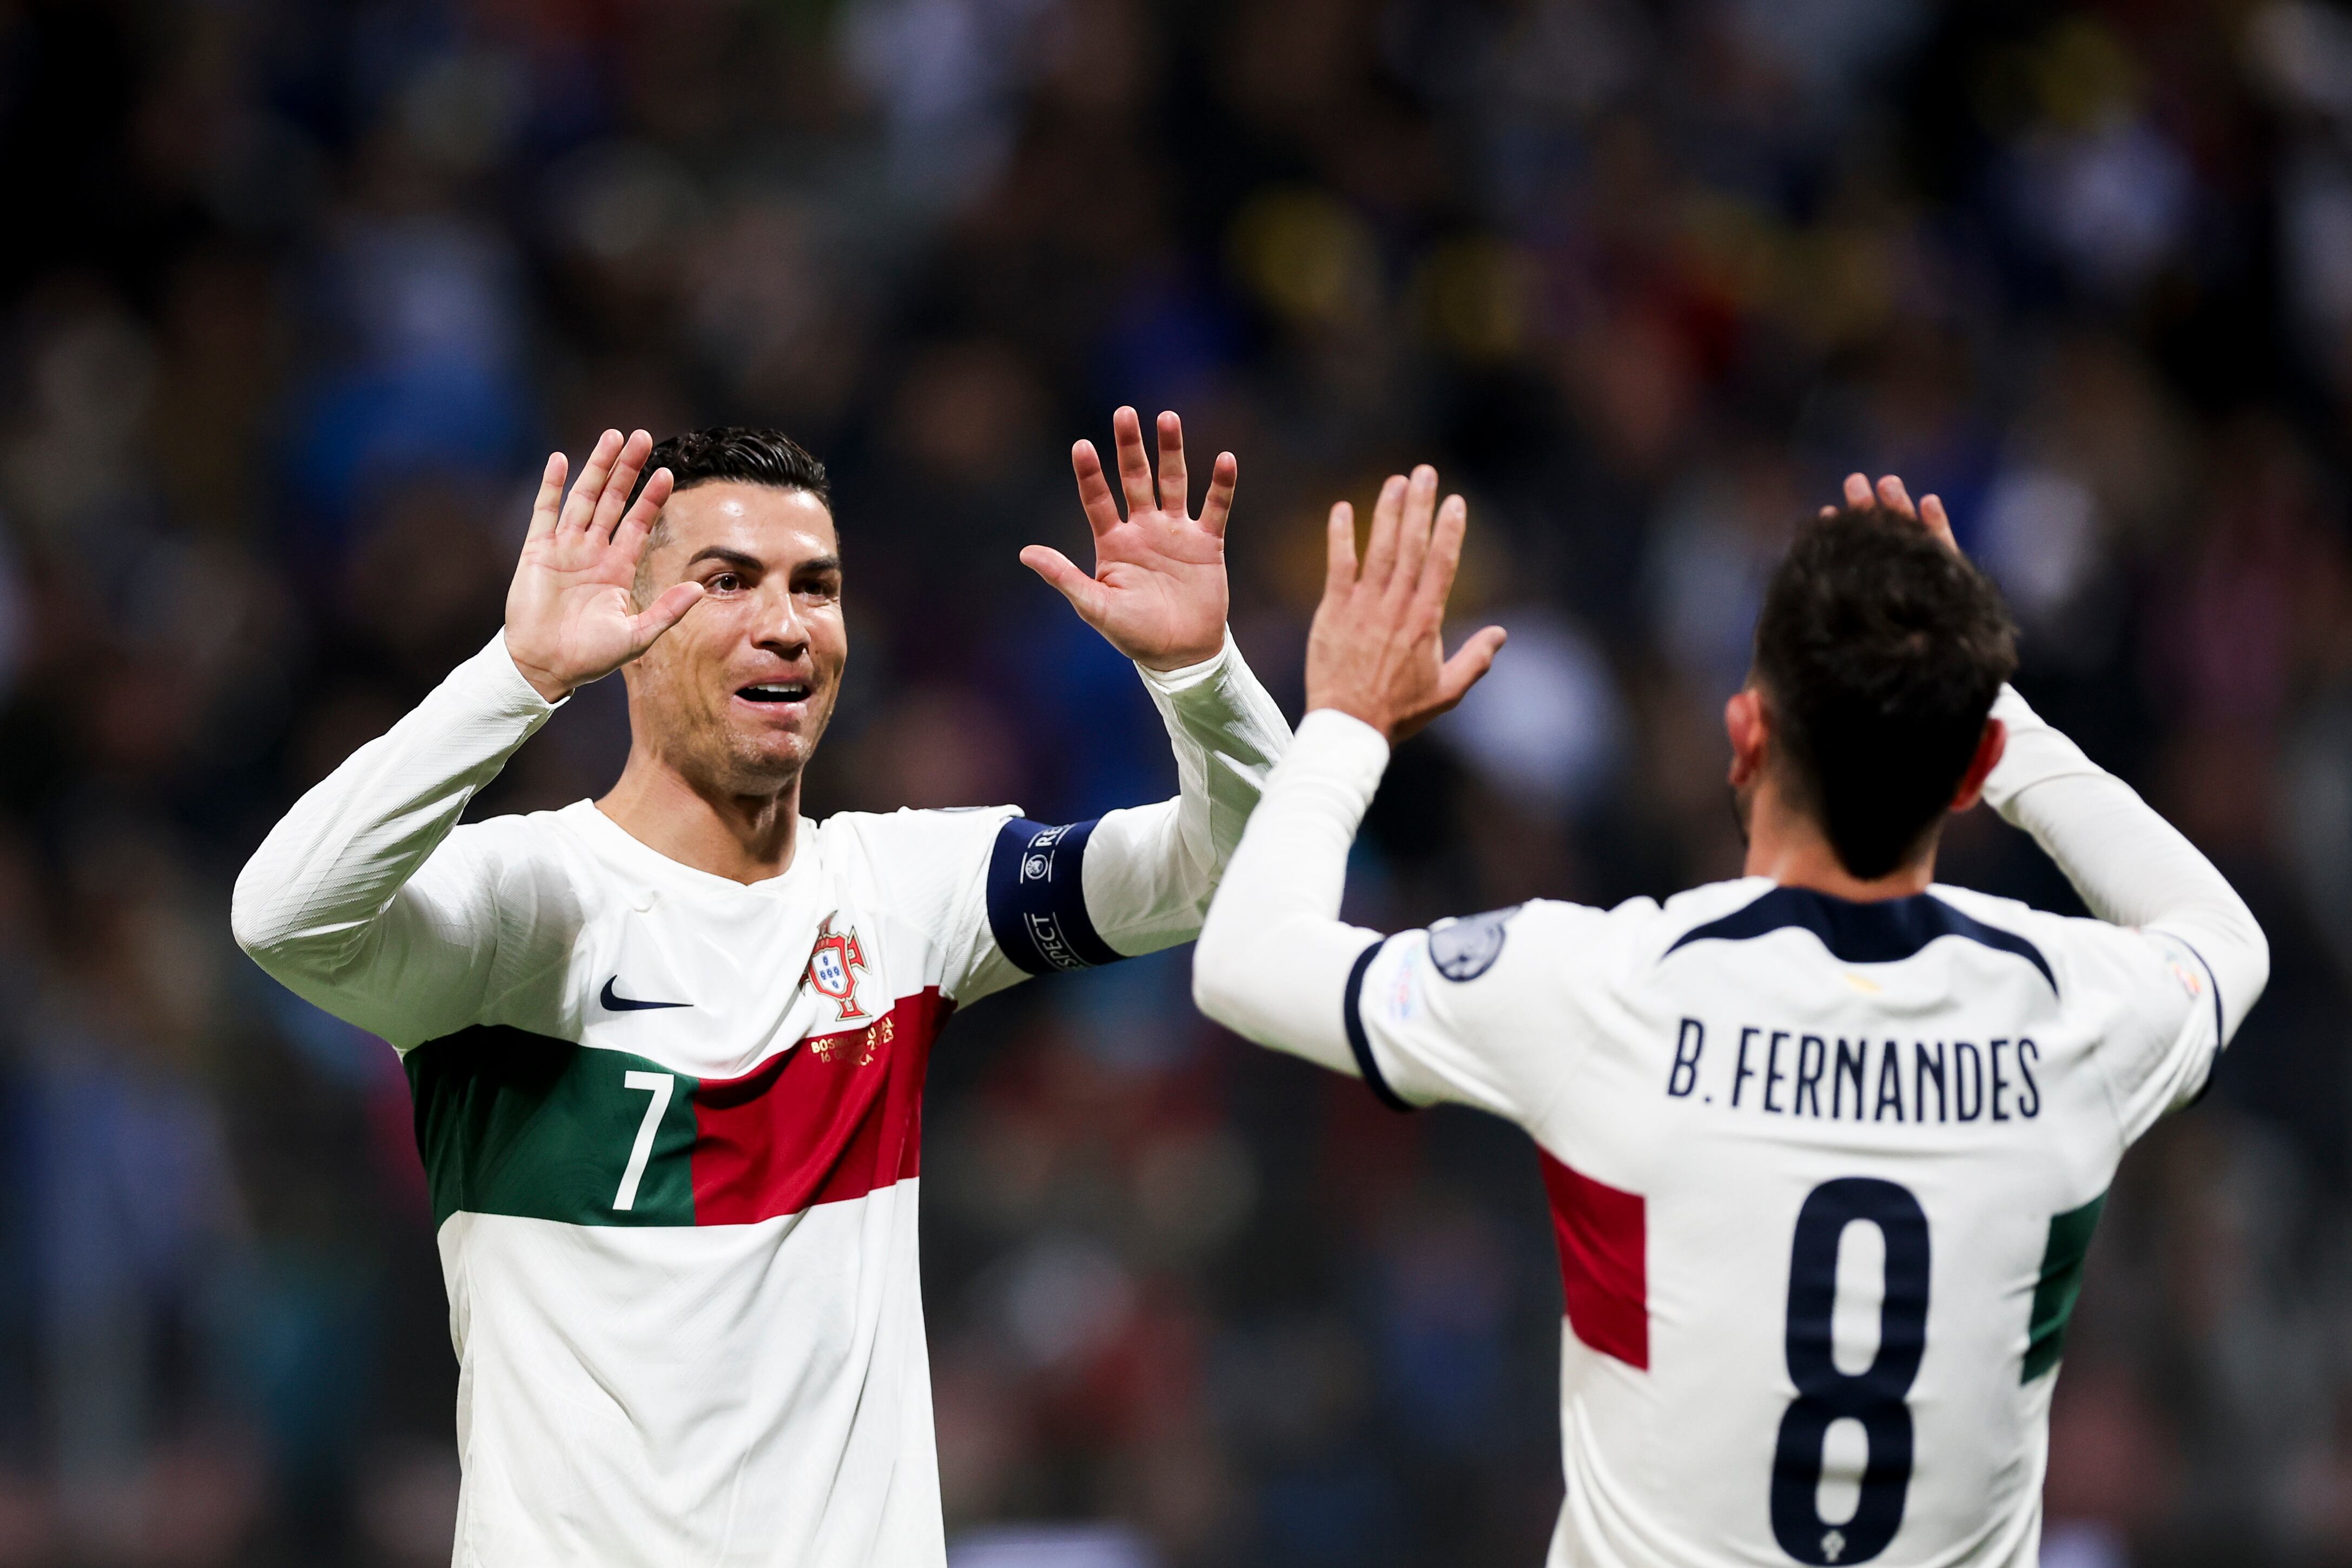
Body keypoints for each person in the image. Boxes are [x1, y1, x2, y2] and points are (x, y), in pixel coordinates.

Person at [231, 411, 1290, 1566]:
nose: (783, 625)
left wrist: (1199, 676)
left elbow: (1241, 866)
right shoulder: (520, 903)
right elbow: (283, 915)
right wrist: (514, 675)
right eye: (727, 582)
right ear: (631, 628)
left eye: (814, 587)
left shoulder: (905, 894)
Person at [1192, 467, 2269, 1567]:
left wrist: (1345, 727)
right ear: (1971, 768)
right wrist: (1986, 707)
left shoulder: (1607, 982)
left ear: (1745, 737)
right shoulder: (2069, 1012)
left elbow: (1245, 961)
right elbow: (2224, 939)